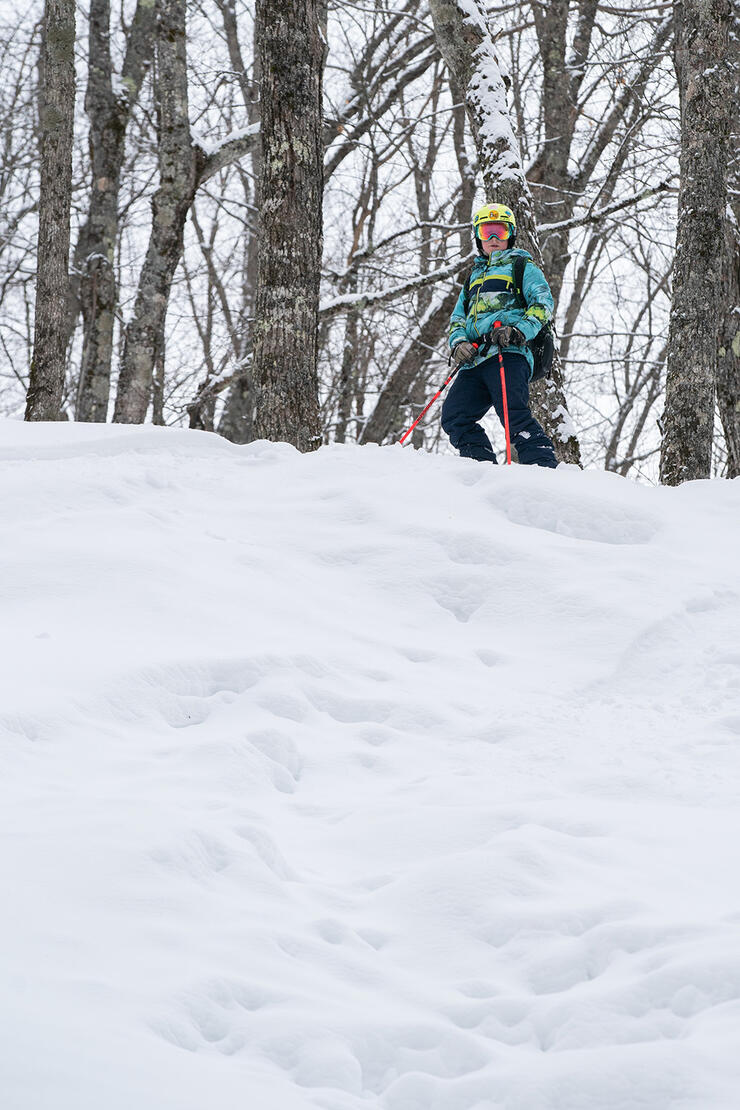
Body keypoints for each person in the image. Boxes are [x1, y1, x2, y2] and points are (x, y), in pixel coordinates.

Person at [442, 203, 558, 468]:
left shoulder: (521, 266)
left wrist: (518, 331)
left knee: (513, 415)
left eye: (500, 231)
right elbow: (458, 317)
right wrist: (458, 342)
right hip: (475, 359)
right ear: (478, 236)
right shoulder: (473, 276)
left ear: (511, 235)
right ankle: (480, 468)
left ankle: (545, 469)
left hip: (508, 353)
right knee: (455, 416)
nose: (493, 238)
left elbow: (542, 304)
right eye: (487, 231)